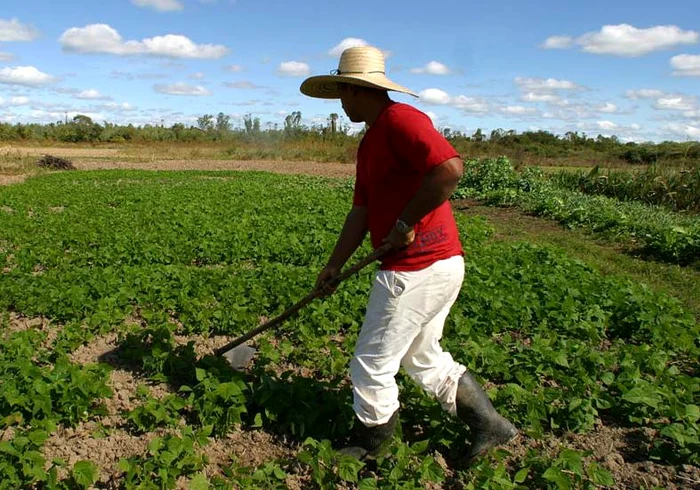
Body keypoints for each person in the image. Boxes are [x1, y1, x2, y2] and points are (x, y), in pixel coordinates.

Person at [299, 45, 517, 463]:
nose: (342, 103)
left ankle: (371, 448)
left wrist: (405, 222)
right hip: (436, 266)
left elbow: (449, 169)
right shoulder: (371, 142)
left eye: (344, 94)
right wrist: (334, 265)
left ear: (360, 90)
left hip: (417, 268)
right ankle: (490, 424)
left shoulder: (402, 120)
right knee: (422, 355)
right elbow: (360, 211)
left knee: (370, 365)